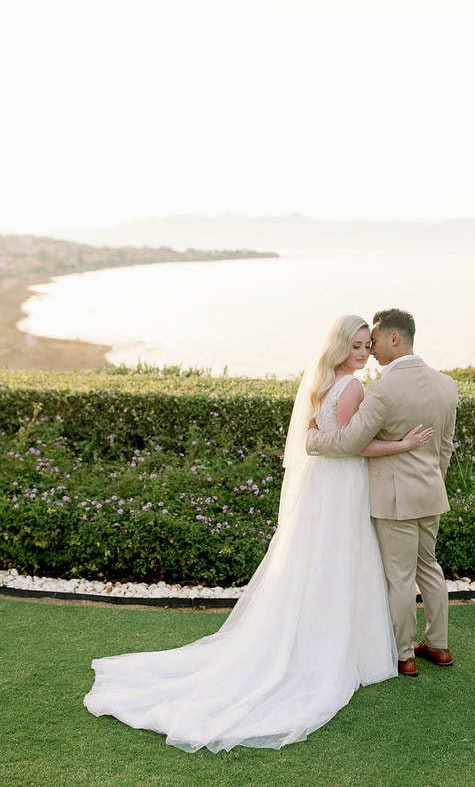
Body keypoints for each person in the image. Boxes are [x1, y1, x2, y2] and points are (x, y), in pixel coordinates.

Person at [83, 314, 432, 753]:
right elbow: (350, 444)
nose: (365, 353)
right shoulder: (353, 387)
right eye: (358, 346)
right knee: (340, 560)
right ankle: (341, 651)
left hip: (325, 485)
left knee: (321, 562)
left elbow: (317, 436)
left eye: (368, 345)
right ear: (343, 347)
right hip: (343, 483)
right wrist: (403, 444)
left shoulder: (322, 384)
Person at [307, 308, 458, 678]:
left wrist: (312, 441)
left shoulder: (382, 391)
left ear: (395, 338)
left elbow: (348, 442)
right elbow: (445, 447)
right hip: (430, 493)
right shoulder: (446, 385)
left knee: (401, 578)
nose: (370, 350)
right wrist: (431, 479)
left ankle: (404, 654)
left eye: (373, 341)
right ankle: (438, 645)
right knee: (430, 569)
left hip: (395, 500)